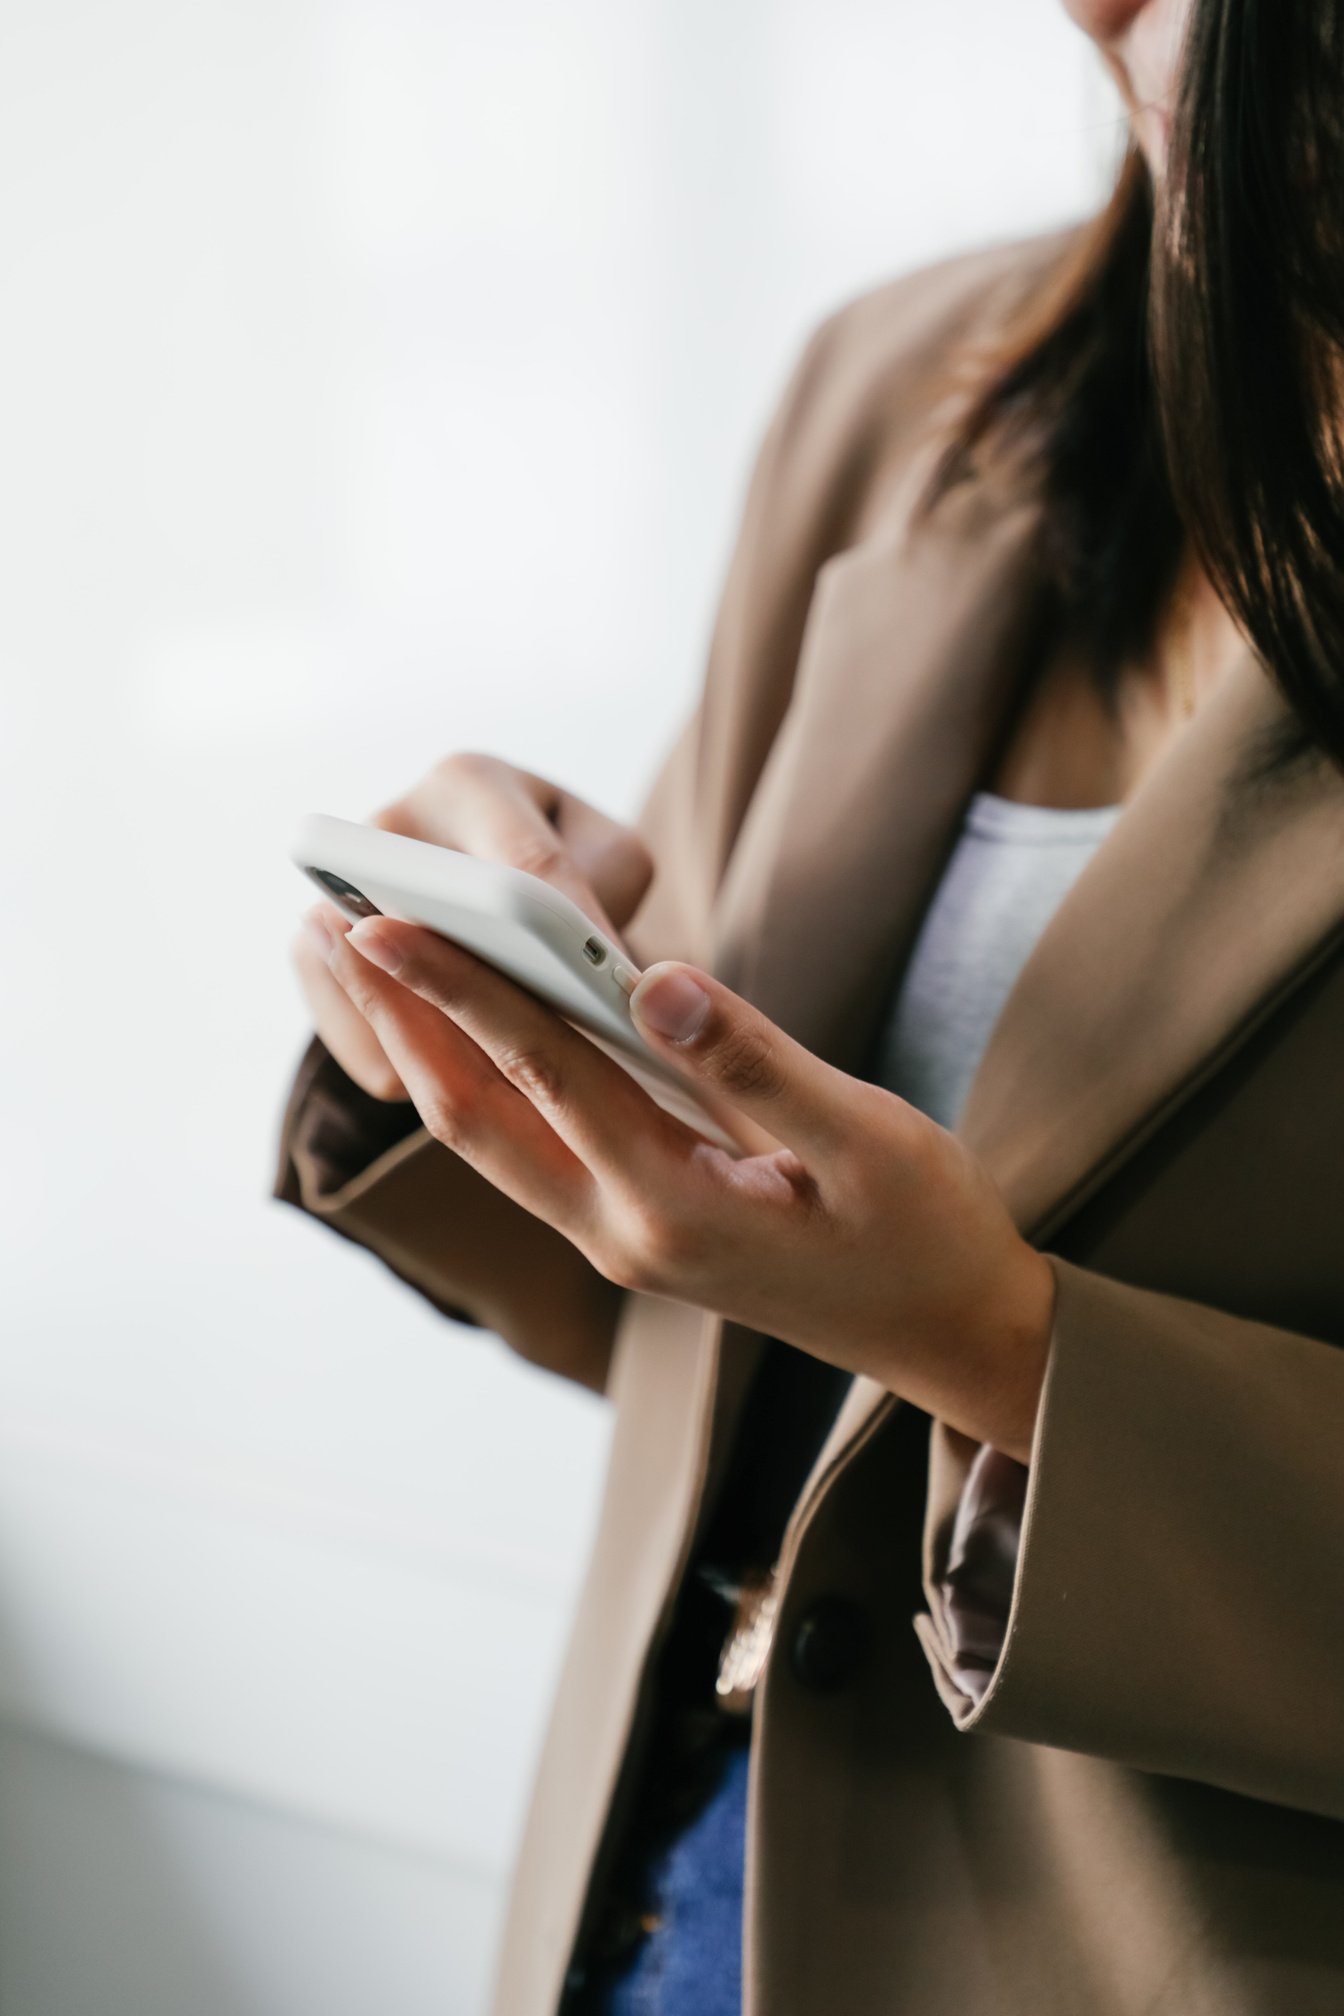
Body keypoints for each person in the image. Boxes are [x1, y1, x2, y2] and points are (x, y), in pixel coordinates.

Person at [273, 0, 1344, 2010]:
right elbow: (700, 1323)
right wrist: (468, 1016)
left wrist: (997, 1344)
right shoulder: (912, 385)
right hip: (669, 1884)